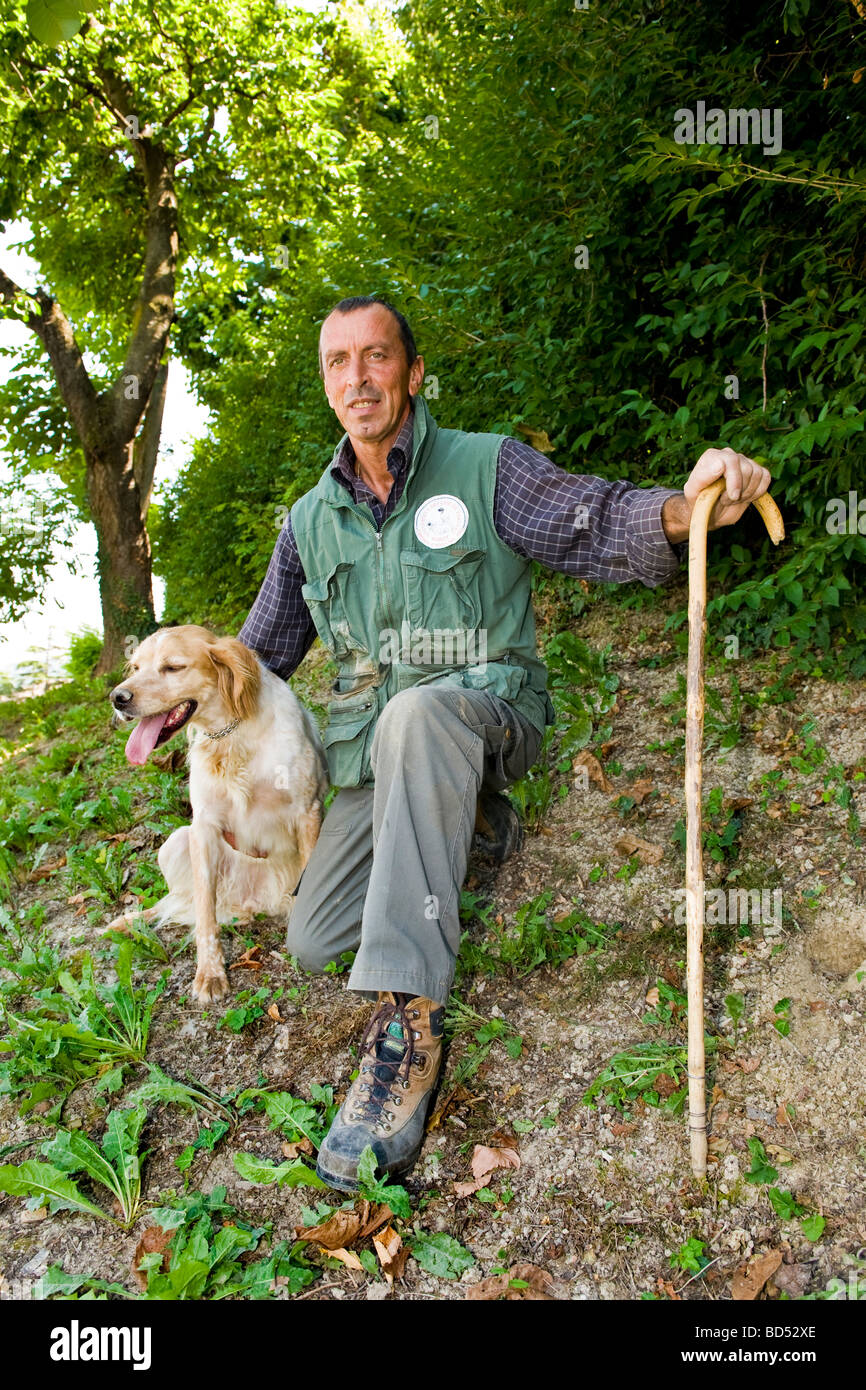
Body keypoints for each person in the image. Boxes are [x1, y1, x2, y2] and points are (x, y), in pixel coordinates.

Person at [238, 294, 771, 1192]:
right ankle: (477, 830)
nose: (357, 377)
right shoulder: (308, 521)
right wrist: (177, 684)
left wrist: (694, 508)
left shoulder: (483, 469)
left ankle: (405, 1028)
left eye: (376, 357)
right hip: (380, 755)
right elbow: (256, 662)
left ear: (411, 372)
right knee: (316, 938)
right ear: (326, 382)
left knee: (421, 716)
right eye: (338, 361)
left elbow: (592, 520)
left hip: (485, 715)